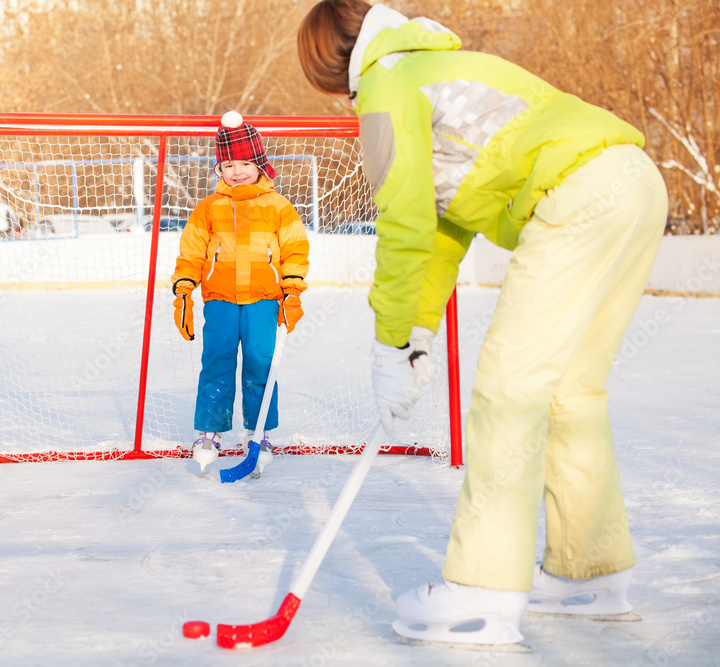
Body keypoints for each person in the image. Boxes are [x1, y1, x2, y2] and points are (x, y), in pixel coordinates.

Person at [298, 0, 668, 649]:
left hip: (578, 195)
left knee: (507, 390)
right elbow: (440, 232)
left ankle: (482, 591)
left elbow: (403, 223)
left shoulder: (386, 87)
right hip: (634, 180)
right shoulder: (436, 67)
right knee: (570, 391)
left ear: (330, 59)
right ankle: (589, 573)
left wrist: (387, 345)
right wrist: (415, 337)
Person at [171, 111, 311, 477]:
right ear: (220, 168)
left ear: (260, 165)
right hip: (220, 300)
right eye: (229, 164)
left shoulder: (279, 207)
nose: (237, 171)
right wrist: (184, 290)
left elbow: (295, 250)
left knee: (260, 365)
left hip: (264, 301)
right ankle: (210, 432)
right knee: (216, 360)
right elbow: (192, 253)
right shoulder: (208, 208)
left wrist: (292, 290)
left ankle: (258, 431)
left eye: (245, 163)